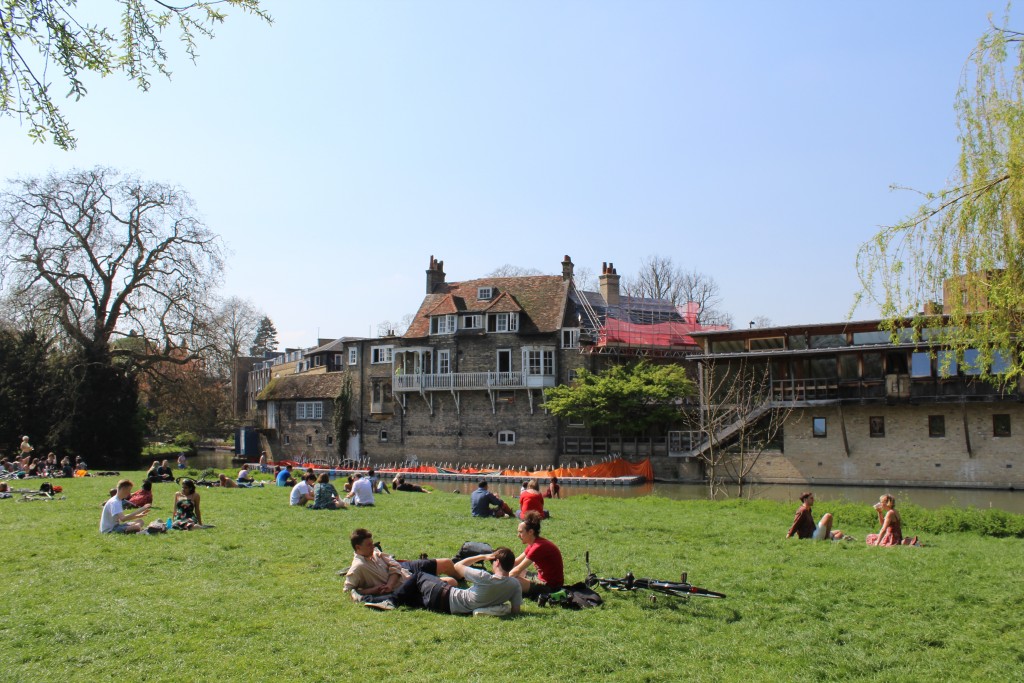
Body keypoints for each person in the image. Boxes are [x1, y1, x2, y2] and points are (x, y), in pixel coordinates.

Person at [363, 547, 523, 615]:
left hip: (445, 596)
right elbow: (515, 610)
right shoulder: (515, 585)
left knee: (418, 576)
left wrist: (482, 556)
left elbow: (458, 566)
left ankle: (391, 601)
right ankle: (366, 598)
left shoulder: (484, 577)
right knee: (412, 596)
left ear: (497, 563)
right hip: (444, 607)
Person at [344, 528, 457, 601]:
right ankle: (463, 571)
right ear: (358, 547)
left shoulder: (374, 552)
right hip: (406, 584)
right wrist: (372, 590)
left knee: (446, 563)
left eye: (372, 543)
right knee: (451, 582)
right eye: (369, 545)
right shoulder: (358, 567)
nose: (373, 547)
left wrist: (390, 583)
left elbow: (394, 564)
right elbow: (348, 590)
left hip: (405, 571)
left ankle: (462, 573)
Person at [510, 511, 564, 597]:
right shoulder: (534, 543)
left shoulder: (538, 546)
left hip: (550, 587)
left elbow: (517, 570)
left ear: (530, 532)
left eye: (521, 532)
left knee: (512, 580)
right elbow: (515, 563)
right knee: (508, 570)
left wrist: (498, 580)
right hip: (540, 578)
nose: (518, 535)